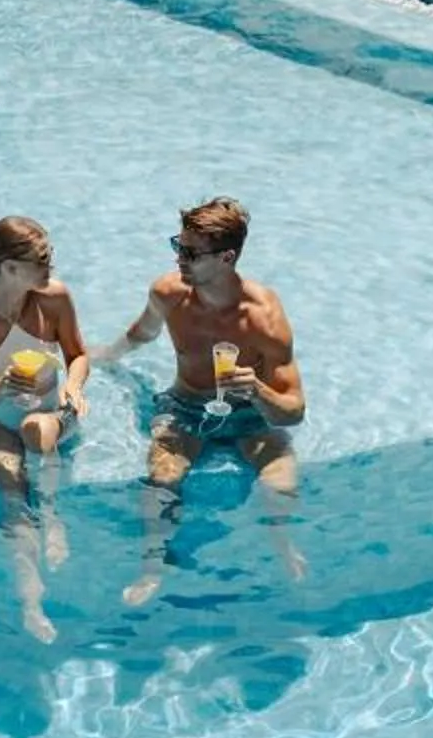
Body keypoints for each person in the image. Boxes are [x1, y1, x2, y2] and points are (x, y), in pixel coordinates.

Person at [95, 197, 306, 607]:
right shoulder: (168, 293)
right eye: (178, 246)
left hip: (250, 412)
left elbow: (295, 410)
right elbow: (142, 334)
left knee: (281, 485)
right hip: (186, 407)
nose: (180, 260)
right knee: (162, 477)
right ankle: (154, 565)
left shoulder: (263, 318)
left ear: (226, 258)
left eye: (191, 253)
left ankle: (283, 545)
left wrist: (257, 390)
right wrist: (106, 356)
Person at [0, 216, 90, 644]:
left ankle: (52, 514)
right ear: (9, 268)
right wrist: (1, 386)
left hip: (52, 411)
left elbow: (78, 355)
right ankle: (30, 599)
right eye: (41, 261)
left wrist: (75, 388)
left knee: (34, 429)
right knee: (10, 486)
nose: (51, 269)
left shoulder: (55, 298)